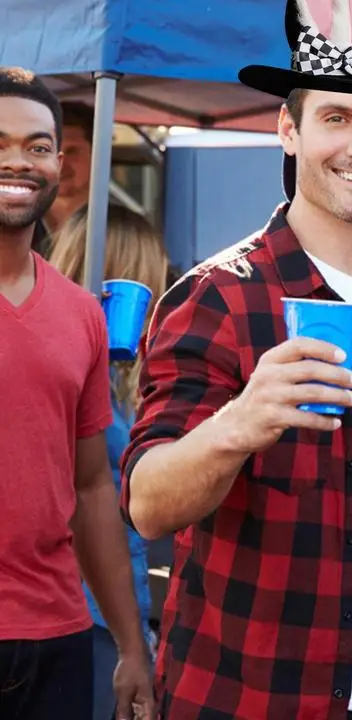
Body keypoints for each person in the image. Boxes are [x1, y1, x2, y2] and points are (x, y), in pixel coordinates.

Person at [119, 0, 352, 718]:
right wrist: (240, 423)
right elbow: (146, 502)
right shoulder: (219, 295)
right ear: (289, 129)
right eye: (336, 118)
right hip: (247, 699)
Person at [0, 67, 154, 719]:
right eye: (0, 142)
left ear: (61, 164)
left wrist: (130, 646)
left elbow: (93, 489)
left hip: (58, 636)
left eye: (38, 145)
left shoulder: (82, 315)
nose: (19, 160)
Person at [49, 203, 170, 720]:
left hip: (113, 607)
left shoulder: (129, 376)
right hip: (87, 610)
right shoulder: (73, 369)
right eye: (149, 284)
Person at [32, 101, 94, 255]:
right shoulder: (13, 228)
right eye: (48, 150)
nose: (60, 163)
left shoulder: (120, 230)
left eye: (73, 151)